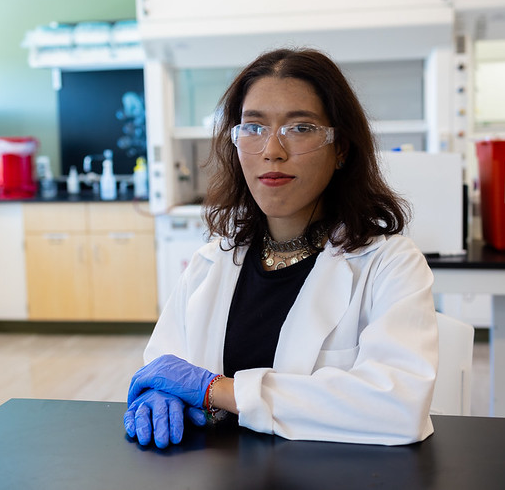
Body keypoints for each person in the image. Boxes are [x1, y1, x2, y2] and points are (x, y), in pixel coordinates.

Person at [124, 47, 438, 448]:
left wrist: (215, 390)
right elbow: (163, 367)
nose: (272, 150)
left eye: (300, 127)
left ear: (340, 148)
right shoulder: (212, 263)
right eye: (253, 128)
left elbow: (399, 408)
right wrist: (156, 393)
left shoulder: (390, 264)